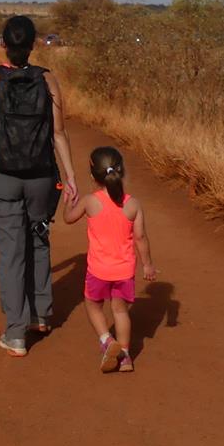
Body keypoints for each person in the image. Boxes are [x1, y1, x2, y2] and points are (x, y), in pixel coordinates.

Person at [0, 15, 78, 357]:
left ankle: (16, 333)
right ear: (32, 45)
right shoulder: (48, 79)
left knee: (12, 254)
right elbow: (58, 133)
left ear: (4, 44)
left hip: (3, 175)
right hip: (43, 175)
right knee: (39, 239)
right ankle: (41, 314)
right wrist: (71, 176)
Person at [60, 145, 157, 372]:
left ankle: (107, 340)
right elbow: (141, 238)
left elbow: (68, 219)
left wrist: (68, 200)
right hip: (124, 271)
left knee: (93, 305)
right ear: (121, 171)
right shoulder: (133, 204)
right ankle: (125, 357)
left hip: (98, 271)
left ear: (92, 176)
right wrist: (148, 264)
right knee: (120, 311)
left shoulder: (90, 201)